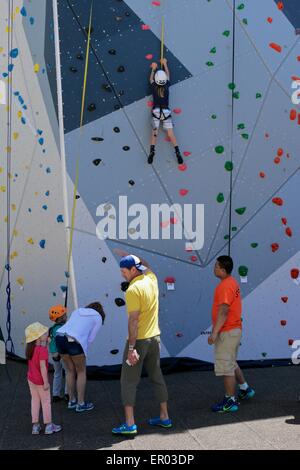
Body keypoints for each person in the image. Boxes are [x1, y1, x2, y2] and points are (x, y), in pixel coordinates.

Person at [112, 250, 171, 436]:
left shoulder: (133, 290)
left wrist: (131, 348)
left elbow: (133, 321)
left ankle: (130, 424)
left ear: (132, 269)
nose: (122, 274)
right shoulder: (151, 279)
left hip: (139, 341)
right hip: (155, 338)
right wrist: (131, 255)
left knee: (128, 381)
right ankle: (164, 417)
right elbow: (147, 265)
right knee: (157, 376)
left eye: (124, 271)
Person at [208, 255, 255, 412]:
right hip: (233, 330)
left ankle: (230, 401)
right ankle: (245, 388)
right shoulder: (231, 282)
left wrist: (214, 333)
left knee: (226, 367)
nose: (214, 268)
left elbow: (224, 311)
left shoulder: (225, 286)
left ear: (223, 269)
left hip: (227, 331)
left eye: (216, 266)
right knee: (231, 362)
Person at [55, 302, 105, 412]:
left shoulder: (77, 311)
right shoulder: (98, 317)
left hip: (59, 336)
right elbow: (90, 339)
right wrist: (84, 353)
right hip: (74, 341)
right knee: (81, 371)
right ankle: (81, 403)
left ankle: (71, 401)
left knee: (69, 371)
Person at [25, 322, 62, 435]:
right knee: (46, 402)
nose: (47, 334)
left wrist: (45, 343)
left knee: (35, 401)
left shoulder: (31, 349)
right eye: (45, 333)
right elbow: (43, 367)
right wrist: (46, 382)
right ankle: (49, 425)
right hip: (41, 381)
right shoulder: (43, 350)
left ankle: (35, 426)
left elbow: (38, 356)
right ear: (38, 337)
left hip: (31, 379)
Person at [148, 58, 183, 165]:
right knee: (171, 134)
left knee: (155, 133)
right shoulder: (167, 85)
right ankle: (177, 152)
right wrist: (165, 64)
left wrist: (153, 69)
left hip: (156, 111)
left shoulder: (153, 86)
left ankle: (152, 152)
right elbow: (167, 74)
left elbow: (151, 79)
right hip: (166, 111)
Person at [48, 305, 68, 402]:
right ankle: (68, 394)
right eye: (65, 315)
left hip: (54, 354)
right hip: (62, 354)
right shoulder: (62, 329)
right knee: (69, 373)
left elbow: (51, 342)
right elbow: (62, 341)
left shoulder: (52, 329)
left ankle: (55, 394)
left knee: (57, 373)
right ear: (60, 317)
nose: (66, 316)